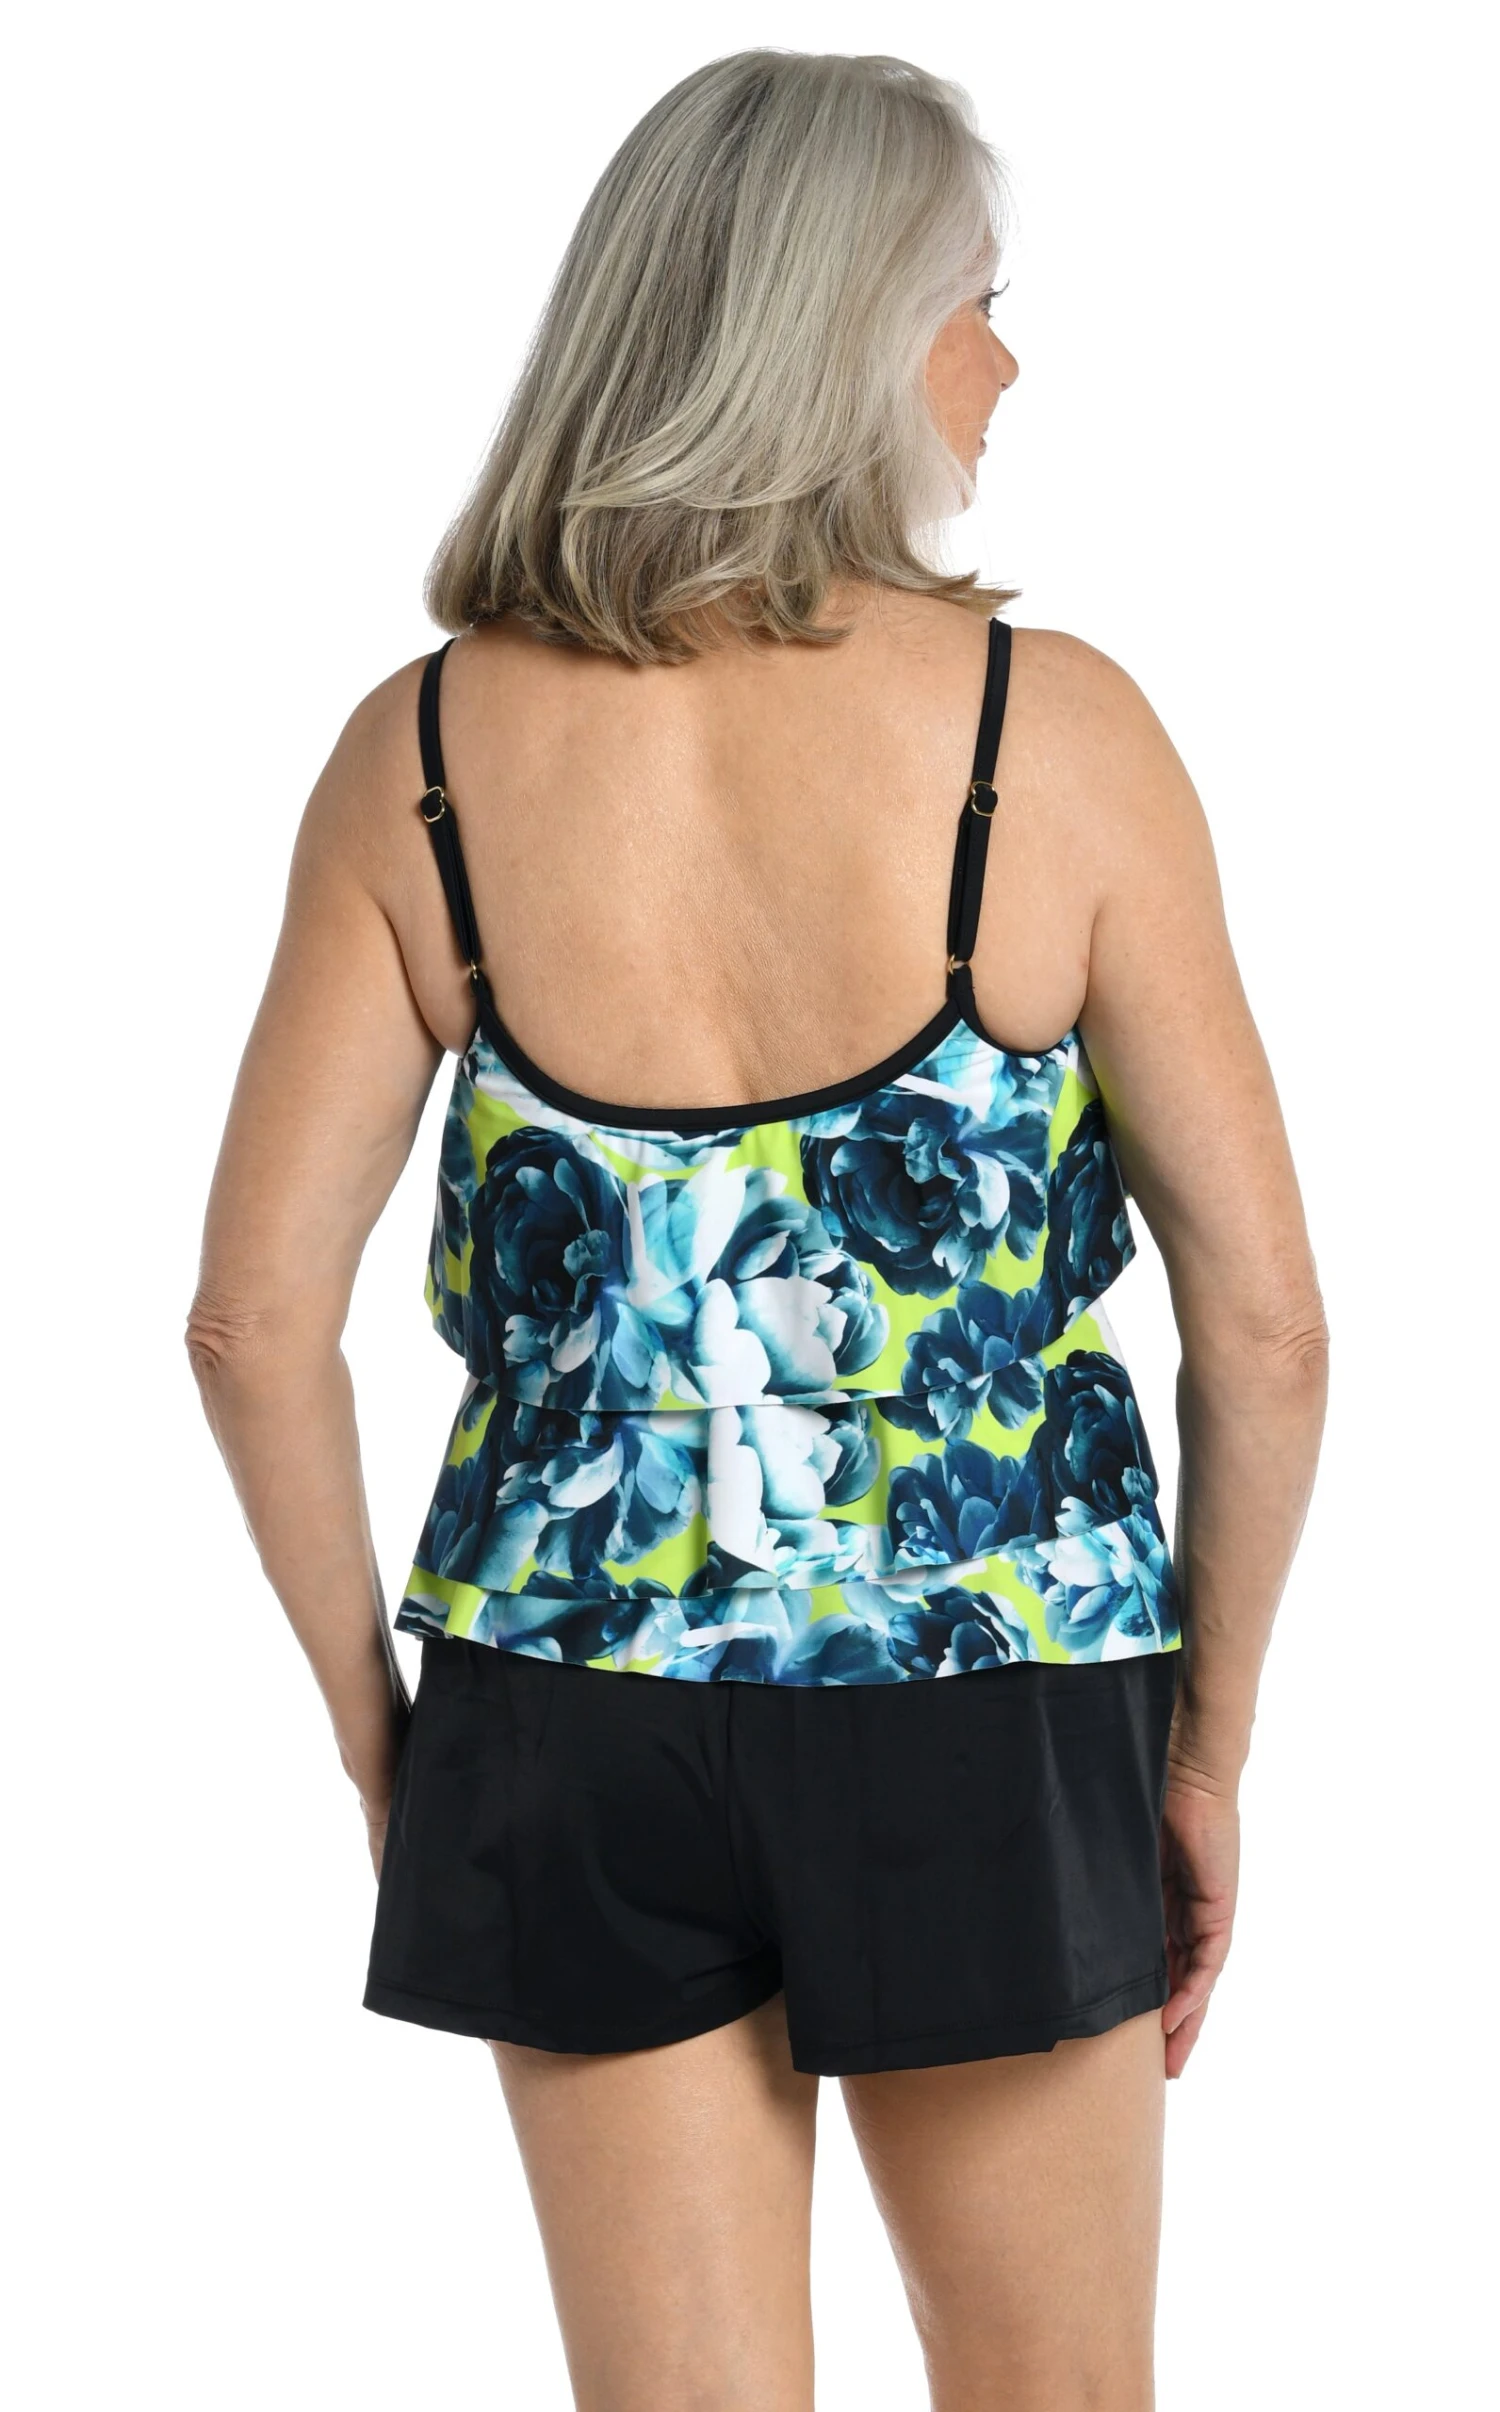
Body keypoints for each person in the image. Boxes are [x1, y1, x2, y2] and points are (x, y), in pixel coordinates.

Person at [188, 47, 1328, 2412]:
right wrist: (1205, 1757)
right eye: (974, 301)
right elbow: (1271, 1329)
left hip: (565, 1712)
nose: (1003, 363)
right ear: (845, 327)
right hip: (985, 1696)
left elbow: (249, 1324)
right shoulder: (1051, 737)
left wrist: (389, 1748)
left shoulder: (420, 759)